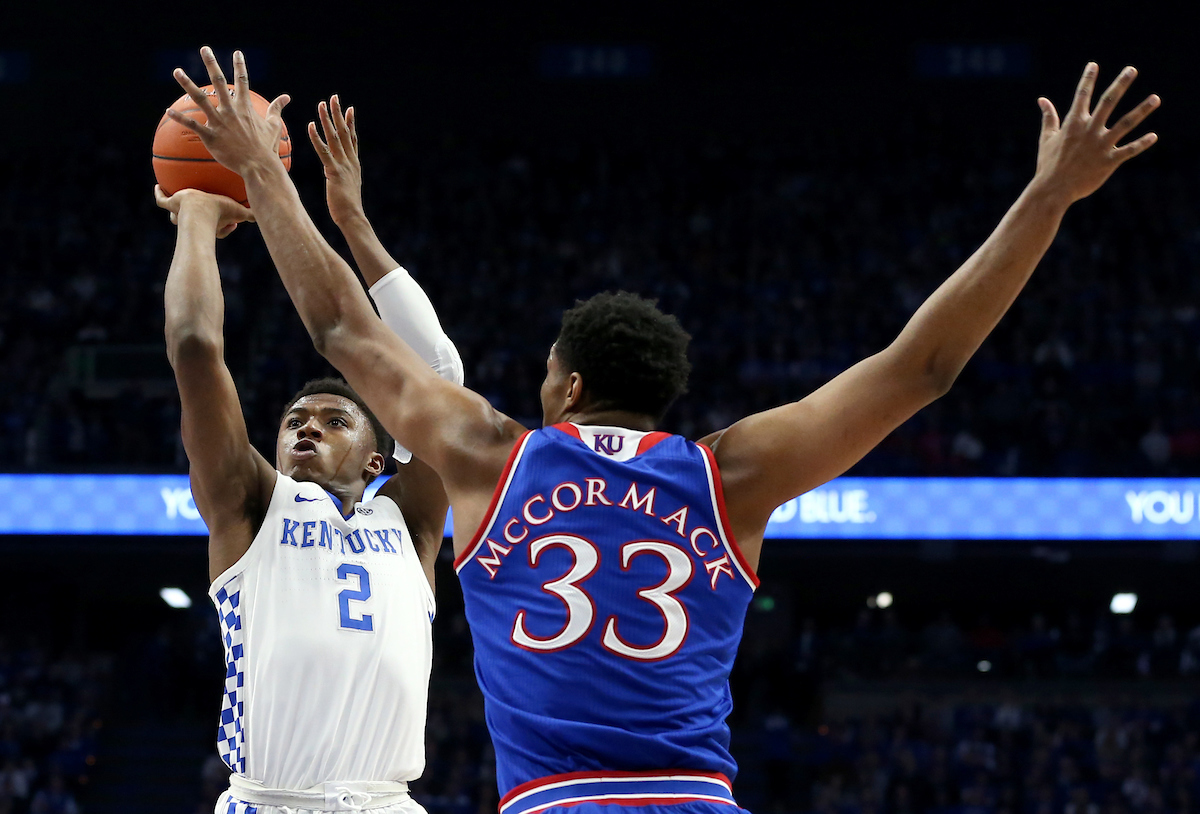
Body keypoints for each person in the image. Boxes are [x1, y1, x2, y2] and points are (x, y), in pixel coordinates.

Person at [167, 48, 1158, 814]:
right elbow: (924, 366)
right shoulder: (730, 474)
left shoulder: (491, 455)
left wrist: (265, 175)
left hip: (554, 800)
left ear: (568, 386)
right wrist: (1047, 197)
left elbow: (342, 328)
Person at [159, 91, 464, 812]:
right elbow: (197, 348)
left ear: (377, 460)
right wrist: (197, 218)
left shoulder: (412, 524)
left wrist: (352, 221)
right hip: (271, 801)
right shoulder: (251, 507)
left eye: (334, 420)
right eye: (296, 418)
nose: (306, 427)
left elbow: (441, 374)